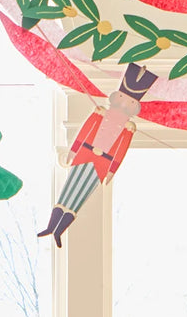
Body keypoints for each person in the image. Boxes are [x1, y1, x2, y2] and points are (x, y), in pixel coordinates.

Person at [38, 65, 158, 247]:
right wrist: (73, 150)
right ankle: (50, 226)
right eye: (123, 98)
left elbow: (121, 150)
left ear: (135, 106)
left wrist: (112, 170)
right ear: (117, 96)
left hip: (103, 163)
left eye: (131, 102)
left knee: (79, 198)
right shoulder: (100, 114)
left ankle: (59, 231)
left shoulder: (128, 129)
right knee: (68, 191)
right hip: (85, 154)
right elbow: (85, 131)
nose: (126, 102)